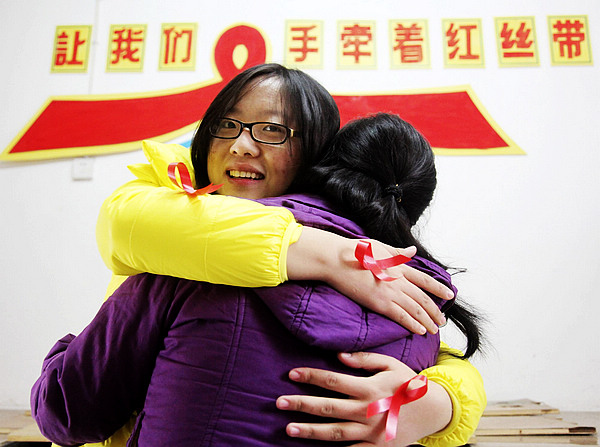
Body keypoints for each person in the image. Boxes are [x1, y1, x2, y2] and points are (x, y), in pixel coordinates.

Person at [40, 64, 485, 446]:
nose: (241, 145)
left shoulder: (377, 271)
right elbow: (127, 223)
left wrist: (437, 403)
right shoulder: (176, 219)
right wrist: (322, 251)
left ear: (316, 154)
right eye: (226, 125)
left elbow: (68, 409)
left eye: (271, 130)